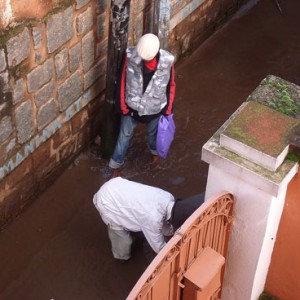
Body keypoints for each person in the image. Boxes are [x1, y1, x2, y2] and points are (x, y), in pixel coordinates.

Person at [108, 33, 176, 177]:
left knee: (152, 136)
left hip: (155, 110)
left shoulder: (167, 63)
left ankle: (155, 154)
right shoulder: (130, 58)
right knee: (124, 136)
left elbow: (171, 86)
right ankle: (115, 165)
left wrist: (168, 110)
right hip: (132, 109)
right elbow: (122, 82)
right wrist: (123, 108)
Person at [93, 177, 204, 261]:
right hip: (106, 200)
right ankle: (121, 257)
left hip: (116, 185)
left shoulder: (168, 197)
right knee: (124, 241)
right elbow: (159, 248)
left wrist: (171, 235)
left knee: (138, 222)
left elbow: (165, 224)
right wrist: (177, 255)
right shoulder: (153, 219)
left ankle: (130, 230)